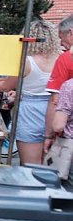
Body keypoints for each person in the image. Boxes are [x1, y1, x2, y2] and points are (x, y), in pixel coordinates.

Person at [0, 19, 60, 165]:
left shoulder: (26, 61)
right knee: (48, 166)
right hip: (55, 108)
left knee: (29, 165)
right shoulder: (60, 59)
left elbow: (5, 86)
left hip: (29, 110)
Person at [44, 14, 73, 153]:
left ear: (71, 33)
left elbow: (54, 100)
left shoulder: (65, 58)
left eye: (61, 38)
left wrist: (48, 135)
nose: (61, 43)